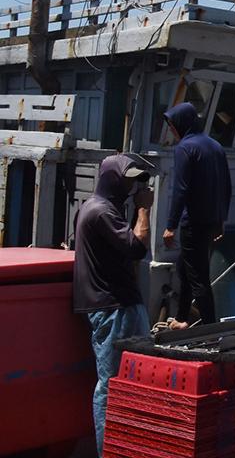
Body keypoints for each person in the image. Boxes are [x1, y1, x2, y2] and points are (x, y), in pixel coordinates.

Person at [73, 153, 155, 457]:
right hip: (114, 307)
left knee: (126, 382)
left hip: (111, 306)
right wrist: (144, 209)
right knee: (113, 385)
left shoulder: (93, 207)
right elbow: (137, 247)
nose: (132, 188)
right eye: (128, 181)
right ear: (112, 180)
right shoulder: (102, 211)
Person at [161, 102, 232, 327]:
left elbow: (181, 190)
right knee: (185, 268)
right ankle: (182, 317)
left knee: (199, 278)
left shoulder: (184, 148)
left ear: (182, 123)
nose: (171, 129)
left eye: (172, 125)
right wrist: (221, 220)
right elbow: (226, 186)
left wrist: (170, 225)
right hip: (211, 221)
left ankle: (210, 330)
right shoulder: (216, 146)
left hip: (193, 223)